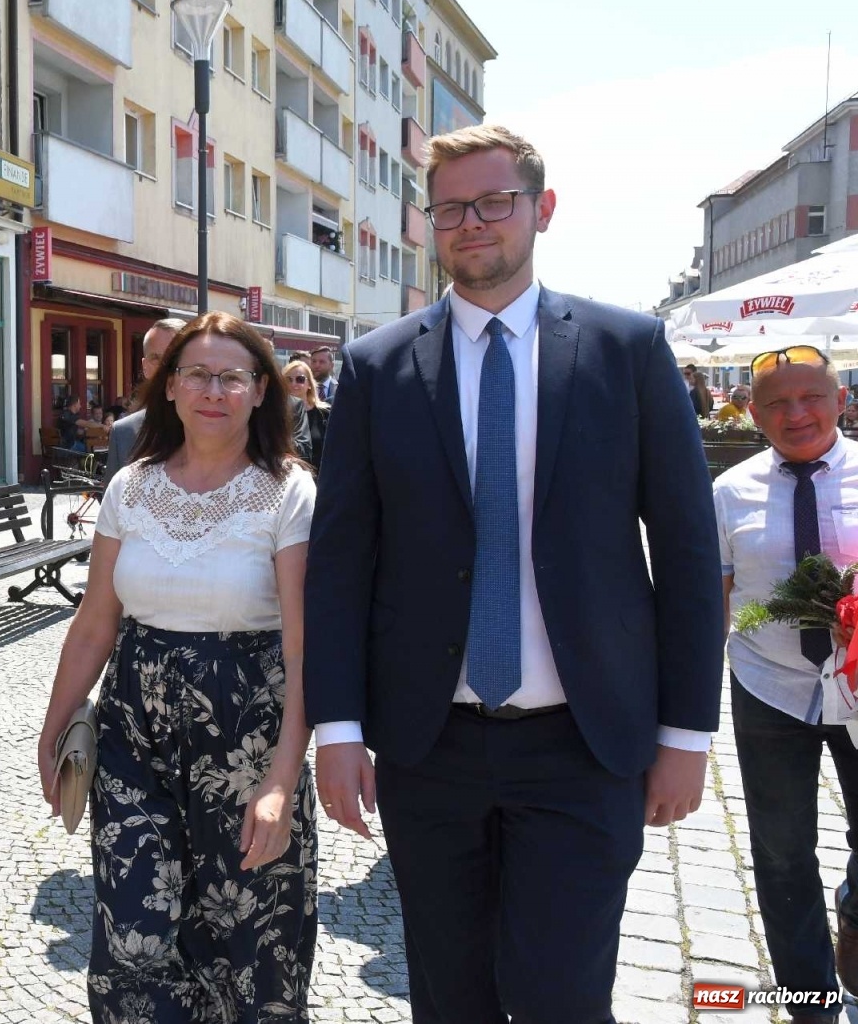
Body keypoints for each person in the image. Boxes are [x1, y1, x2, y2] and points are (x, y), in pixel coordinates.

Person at [307, 124, 722, 1024]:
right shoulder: (376, 367)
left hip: (585, 742)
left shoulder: (627, 349)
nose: (473, 224)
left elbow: (688, 550)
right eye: (451, 208)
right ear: (429, 225)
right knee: (449, 997)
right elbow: (342, 561)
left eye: (495, 202)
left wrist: (687, 733)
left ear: (541, 209)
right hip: (431, 744)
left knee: (563, 998)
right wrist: (336, 727)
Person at [39, 312, 318, 1020]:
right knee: (135, 938)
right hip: (133, 736)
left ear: (261, 392)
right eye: (196, 373)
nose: (213, 390)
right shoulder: (131, 487)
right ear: (169, 387)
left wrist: (282, 781)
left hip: (248, 739)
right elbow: (95, 621)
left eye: (233, 376)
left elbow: (302, 646)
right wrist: (54, 728)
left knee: (251, 943)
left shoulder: (290, 492)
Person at [716, 346, 858, 1018]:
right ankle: (810, 1000)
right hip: (769, 687)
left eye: (810, 397)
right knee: (781, 853)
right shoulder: (728, 490)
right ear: (754, 411)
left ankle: (853, 911)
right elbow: (713, 597)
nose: (795, 413)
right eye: (776, 401)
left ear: (840, 401)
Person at [103, 318, 182, 484]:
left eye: (175, 357)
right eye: (156, 358)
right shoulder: (123, 433)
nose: (165, 366)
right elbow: (113, 505)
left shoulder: (215, 426)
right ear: (145, 366)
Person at [283, 359, 328, 470]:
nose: (294, 384)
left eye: (300, 379)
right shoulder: (277, 413)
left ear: (309, 384)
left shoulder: (325, 413)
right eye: (289, 379)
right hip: (290, 476)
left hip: (320, 477)